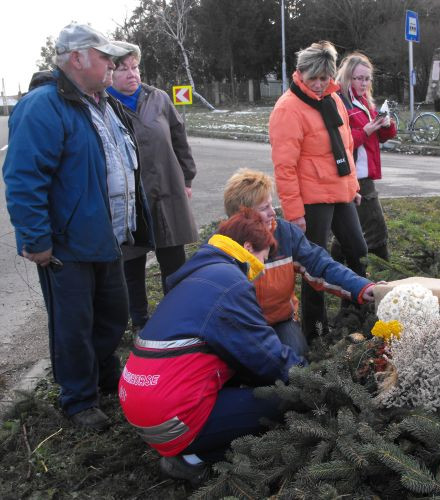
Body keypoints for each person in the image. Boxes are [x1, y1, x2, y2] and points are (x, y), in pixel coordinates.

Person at [2, 23, 153, 430]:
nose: (111, 64)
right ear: (76, 58)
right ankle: (79, 400)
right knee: (73, 325)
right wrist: (37, 239)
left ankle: (105, 382)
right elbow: (24, 178)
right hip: (67, 244)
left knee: (112, 315)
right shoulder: (43, 106)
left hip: (108, 238)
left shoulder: (103, 103)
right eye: (105, 57)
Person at [118, 209, 305, 485]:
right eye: (263, 259)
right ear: (248, 248)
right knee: (285, 399)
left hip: (138, 400)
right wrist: (309, 379)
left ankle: (191, 446)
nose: (261, 270)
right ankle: (193, 459)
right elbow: (268, 359)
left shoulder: (197, 274)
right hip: (172, 417)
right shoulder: (231, 284)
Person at [269, 40, 368, 339]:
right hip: (311, 199)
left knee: (358, 251)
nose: (320, 84)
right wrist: (295, 213)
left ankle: (354, 314)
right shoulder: (288, 108)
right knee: (314, 266)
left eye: (325, 78)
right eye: (314, 78)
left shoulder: (334, 99)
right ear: (300, 73)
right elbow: (284, 167)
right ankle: (315, 331)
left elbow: (346, 147)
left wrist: (352, 187)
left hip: (340, 191)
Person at [223, 168, 376, 354]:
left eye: (272, 205)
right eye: (264, 208)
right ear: (243, 215)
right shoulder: (223, 244)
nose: (273, 213)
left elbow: (320, 265)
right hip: (240, 326)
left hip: (281, 321)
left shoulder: (286, 234)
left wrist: (362, 287)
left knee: (295, 365)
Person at [108, 41, 198, 330]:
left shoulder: (157, 98)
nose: (132, 74)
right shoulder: (103, 105)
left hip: (167, 188)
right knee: (131, 265)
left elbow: (179, 137)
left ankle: (176, 318)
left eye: (135, 67)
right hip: (131, 198)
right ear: (110, 71)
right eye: (123, 69)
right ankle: (139, 321)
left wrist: (186, 177)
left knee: (174, 260)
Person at [333, 52, 397, 261]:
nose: (363, 83)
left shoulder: (363, 101)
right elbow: (339, 141)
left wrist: (386, 124)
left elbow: (382, 138)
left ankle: (335, 270)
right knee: (375, 227)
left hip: (363, 173)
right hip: (354, 174)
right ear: (347, 77)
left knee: (351, 228)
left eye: (367, 78)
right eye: (359, 78)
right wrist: (367, 130)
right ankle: (384, 271)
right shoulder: (341, 102)